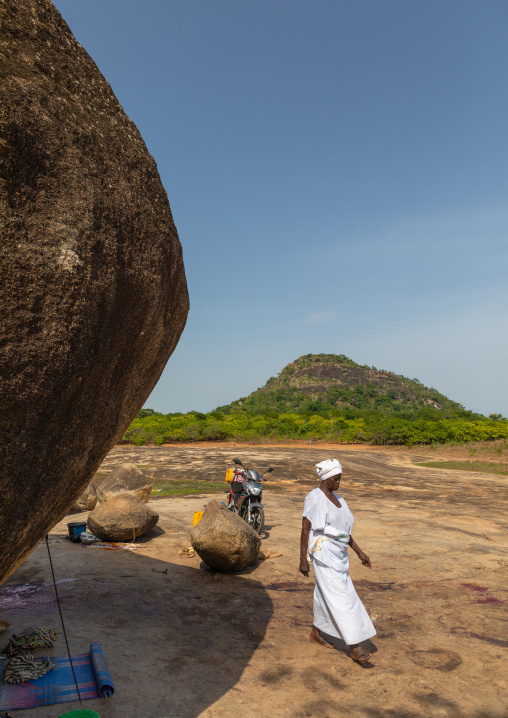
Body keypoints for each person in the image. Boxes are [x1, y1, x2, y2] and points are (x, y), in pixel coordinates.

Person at [299, 458, 376, 664]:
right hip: (322, 552)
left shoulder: (340, 500)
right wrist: (302, 559)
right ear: (325, 479)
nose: (339, 482)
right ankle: (354, 645)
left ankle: (316, 633)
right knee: (341, 595)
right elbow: (305, 528)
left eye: (340, 478)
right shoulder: (315, 498)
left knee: (326, 594)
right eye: (336, 478)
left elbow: (344, 533)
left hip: (339, 553)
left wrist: (360, 553)